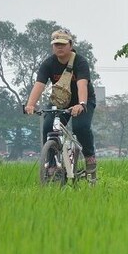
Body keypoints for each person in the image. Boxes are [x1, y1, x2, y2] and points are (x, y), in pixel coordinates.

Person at [24, 29, 98, 176]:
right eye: (56, 44)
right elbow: (39, 85)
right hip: (59, 101)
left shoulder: (80, 62)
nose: (59, 47)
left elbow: (82, 84)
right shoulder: (48, 64)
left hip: (82, 100)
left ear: (70, 45)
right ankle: (51, 164)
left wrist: (82, 103)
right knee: (48, 125)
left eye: (63, 44)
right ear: (52, 46)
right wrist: (30, 104)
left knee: (80, 127)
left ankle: (90, 157)